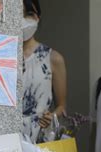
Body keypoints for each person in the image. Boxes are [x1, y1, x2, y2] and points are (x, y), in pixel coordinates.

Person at [22, 0, 67, 143]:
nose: (23, 20)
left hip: (40, 134)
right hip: (8, 135)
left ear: (37, 17)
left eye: (29, 14)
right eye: (18, 14)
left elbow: (61, 105)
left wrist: (51, 116)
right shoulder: (3, 57)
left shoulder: (53, 58)